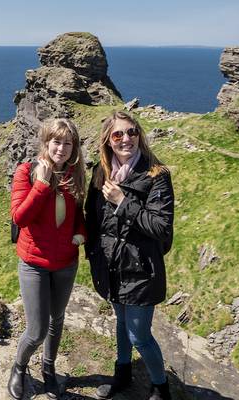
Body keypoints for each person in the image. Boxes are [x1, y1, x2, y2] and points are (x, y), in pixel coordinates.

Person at [84, 111, 174, 400]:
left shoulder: (156, 175)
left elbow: (161, 227)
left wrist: (123, 202)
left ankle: (161, 388)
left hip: (140, 270)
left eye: (132, 132)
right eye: (118, 134)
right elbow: (91, 216)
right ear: (108, 141)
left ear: (140, 135)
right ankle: (122, 374)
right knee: (121, 323)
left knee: (140, 335)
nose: (127, 139)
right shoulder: (101, 172)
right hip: (111, 267)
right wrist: (93, 254)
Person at [8, 118, 87, 400]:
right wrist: (41, 184)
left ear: (74, 147)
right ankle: (19, 367)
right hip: (33, 263)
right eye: (56, 141)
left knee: (57, 319)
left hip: (66, 261)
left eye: (68, 143)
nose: (62, 148)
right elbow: (20, 217)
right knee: (37, 329)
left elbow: (78, 213)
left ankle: (49, 368)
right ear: (45, 143)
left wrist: (80, 232)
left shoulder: (76, 173)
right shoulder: (26, 171)